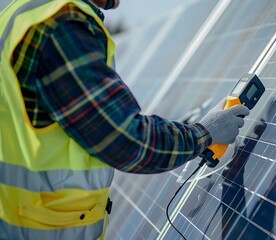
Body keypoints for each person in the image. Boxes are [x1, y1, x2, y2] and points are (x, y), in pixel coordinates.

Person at [0, 0, 249, 239]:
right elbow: (126, 142)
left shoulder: (23, 12)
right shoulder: (62, 26)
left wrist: (186, 128)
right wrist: (204, 133)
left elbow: (66, 124)